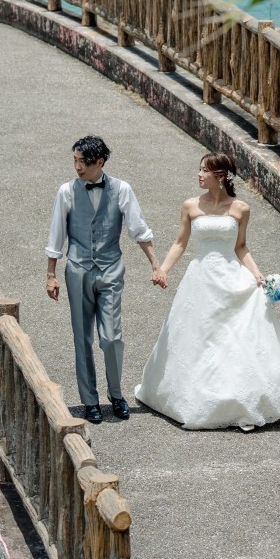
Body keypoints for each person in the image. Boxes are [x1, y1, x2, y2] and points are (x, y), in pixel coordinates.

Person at [134, 151, 280, 431]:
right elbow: (180, 242)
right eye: (200, 168)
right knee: (199, 337)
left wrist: (256, 273)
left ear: (220, 176)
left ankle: (237, 397)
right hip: (201, 278)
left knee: (234, 337)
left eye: (205, 170)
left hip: (231, 276)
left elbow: (240, 246)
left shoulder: (240, 209)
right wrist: (164, 269)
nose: (199, 174)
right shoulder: (191, 206)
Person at [45, 136, 160, 424]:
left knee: (111, 338)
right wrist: (51, 274)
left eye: (83, 162)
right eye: (74, 161)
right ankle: (89, 400)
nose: (77, 167)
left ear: (100, 162)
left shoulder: (122, 189)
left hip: (110, 269)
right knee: (82, 337)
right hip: (77, 269)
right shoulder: (66, 191)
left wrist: (156, 265)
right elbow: (56, 234)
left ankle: (116, 394)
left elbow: (138, 229)